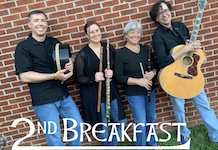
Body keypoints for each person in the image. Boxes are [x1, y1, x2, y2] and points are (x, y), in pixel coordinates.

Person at [150, 0, 218, 146]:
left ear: (170, 10)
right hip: (173, 77)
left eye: (166, 10)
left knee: (204, 105)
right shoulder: (157, 36)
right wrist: (185, 50)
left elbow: (189, 47)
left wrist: (194, 47)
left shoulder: (180, 26)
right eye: (160, 13)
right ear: (156, 18)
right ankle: (184, 134)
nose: (164, 14)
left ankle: (216, 135)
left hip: (191, 73)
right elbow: (162, 61)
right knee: (179, 109)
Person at [15, 10, 83, 146]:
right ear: (29, 25)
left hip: (63, 95)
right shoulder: (23, 47)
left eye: (43, 20)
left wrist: (71, 61)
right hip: (44, 100)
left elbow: (71, 57)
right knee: (54, 136)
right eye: (36, 20)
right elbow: (24, 76)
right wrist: (53, 76)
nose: (40, 23)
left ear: (46, 24)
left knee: (78, 127)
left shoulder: (54, 42)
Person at [73, 21, 127, 146]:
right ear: (86, 35)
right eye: (91, 32)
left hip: (110, 91)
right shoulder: (83, 54)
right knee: (102, 125)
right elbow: (77, 78)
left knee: (122, 121)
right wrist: (93, 78)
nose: (95, 34)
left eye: (97, 30)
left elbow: (117, 68)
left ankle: (110, 147)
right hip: (93, 95)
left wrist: (112, 73)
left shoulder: (109, 48)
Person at [114, 21, 160, 149]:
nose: (136, 34)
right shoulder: (121, 54)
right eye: (132, 32)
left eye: (138, 32)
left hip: (150, 90)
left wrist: (153, 73)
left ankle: (152, 143)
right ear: (126, 35)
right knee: (141, 122)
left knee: (151, 118)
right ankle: (140, 147)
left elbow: (156, 67)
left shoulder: (146, 49)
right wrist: (138, 81)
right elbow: (119, 77)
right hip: (134, 93)